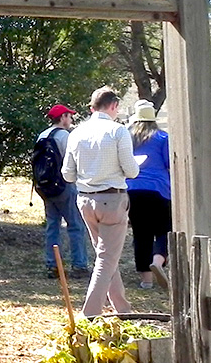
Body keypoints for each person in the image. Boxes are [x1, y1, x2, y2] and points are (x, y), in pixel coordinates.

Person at [62, 87, 140, 318]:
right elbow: (132, 171)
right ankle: (90, 314)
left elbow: (67, 174)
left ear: (91, 108)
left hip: (85, 199)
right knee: (107, 258)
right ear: (114, 105)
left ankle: (122, 308)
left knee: (106, 255)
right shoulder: (118, 131)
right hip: (112, 199)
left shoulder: (76, 133)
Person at [38, 104, 90, 277]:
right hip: (64, 185)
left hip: (45, 186)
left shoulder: (42, 136)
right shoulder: (65, 136)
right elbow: (73, 161)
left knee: (52, 226)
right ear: (62, 118)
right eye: (68, 116)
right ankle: (79, 265)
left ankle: (52, 265)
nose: (70, 119)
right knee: (75, 225)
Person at [126, 99, 171, 290]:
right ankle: (158, 261)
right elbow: (169, 164)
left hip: (132, 190)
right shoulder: (162, 137)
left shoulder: (127, 137)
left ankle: (146, 281)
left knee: (141, 234)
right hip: (159, 189)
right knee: (164, 230)